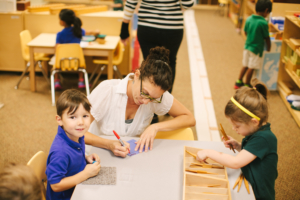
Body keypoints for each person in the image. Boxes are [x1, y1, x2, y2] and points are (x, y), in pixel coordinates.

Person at [85, 46, 196, 157]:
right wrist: (109, 144)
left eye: (153, 98)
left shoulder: (155, 94)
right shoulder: (108, 89)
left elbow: (189, 118)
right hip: (96, 155)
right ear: (137, 75)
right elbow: (75, 132)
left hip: (129, 158)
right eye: (144, 92)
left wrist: (155, 127)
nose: (147, 101)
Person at [196, 79, 278, 200]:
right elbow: (254, 153)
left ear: (254, 122)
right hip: (249, 185)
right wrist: (239, 146)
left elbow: (235, 163)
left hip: (258, 194)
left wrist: (208, 152)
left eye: (237, 126)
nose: (234, 129)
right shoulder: (259, 132)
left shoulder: (264, 139)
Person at [119, 0, 194, 123]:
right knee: (169, 64)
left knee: (149, 64)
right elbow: (188, 4)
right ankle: (164, 105)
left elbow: (131, 2)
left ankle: (151, 112)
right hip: (172, 27)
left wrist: (124, 26)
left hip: (147, 26)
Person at [46, 89, 101, 200]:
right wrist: (86, 174)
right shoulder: (60, 152)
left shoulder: (76, 135)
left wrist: (85, 157)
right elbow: (55, 185)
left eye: (85, 116)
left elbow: (73, 156)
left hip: (78, 188)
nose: (81, 122)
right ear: (59, 120)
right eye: (72, 117)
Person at [234, 0, 272, 89]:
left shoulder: (249, 19)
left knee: (245, 65)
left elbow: (245, 32)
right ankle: (247, 84)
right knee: (252, 67)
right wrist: (269, 47)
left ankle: (238, 82)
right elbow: (267, 37)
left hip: (247, 46)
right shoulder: (263, 23)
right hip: (256, 48)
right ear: (266, 11)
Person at [52, 9, 86, 90]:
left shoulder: (60, 34)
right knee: (82, 59)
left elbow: (57, 49)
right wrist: (95, 32)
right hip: (77, 62)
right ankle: (81, 80)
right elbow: (86, 32)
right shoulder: (79, 31)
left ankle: (57, 81)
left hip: (62, 62)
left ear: (63, 22)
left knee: (55, 59)